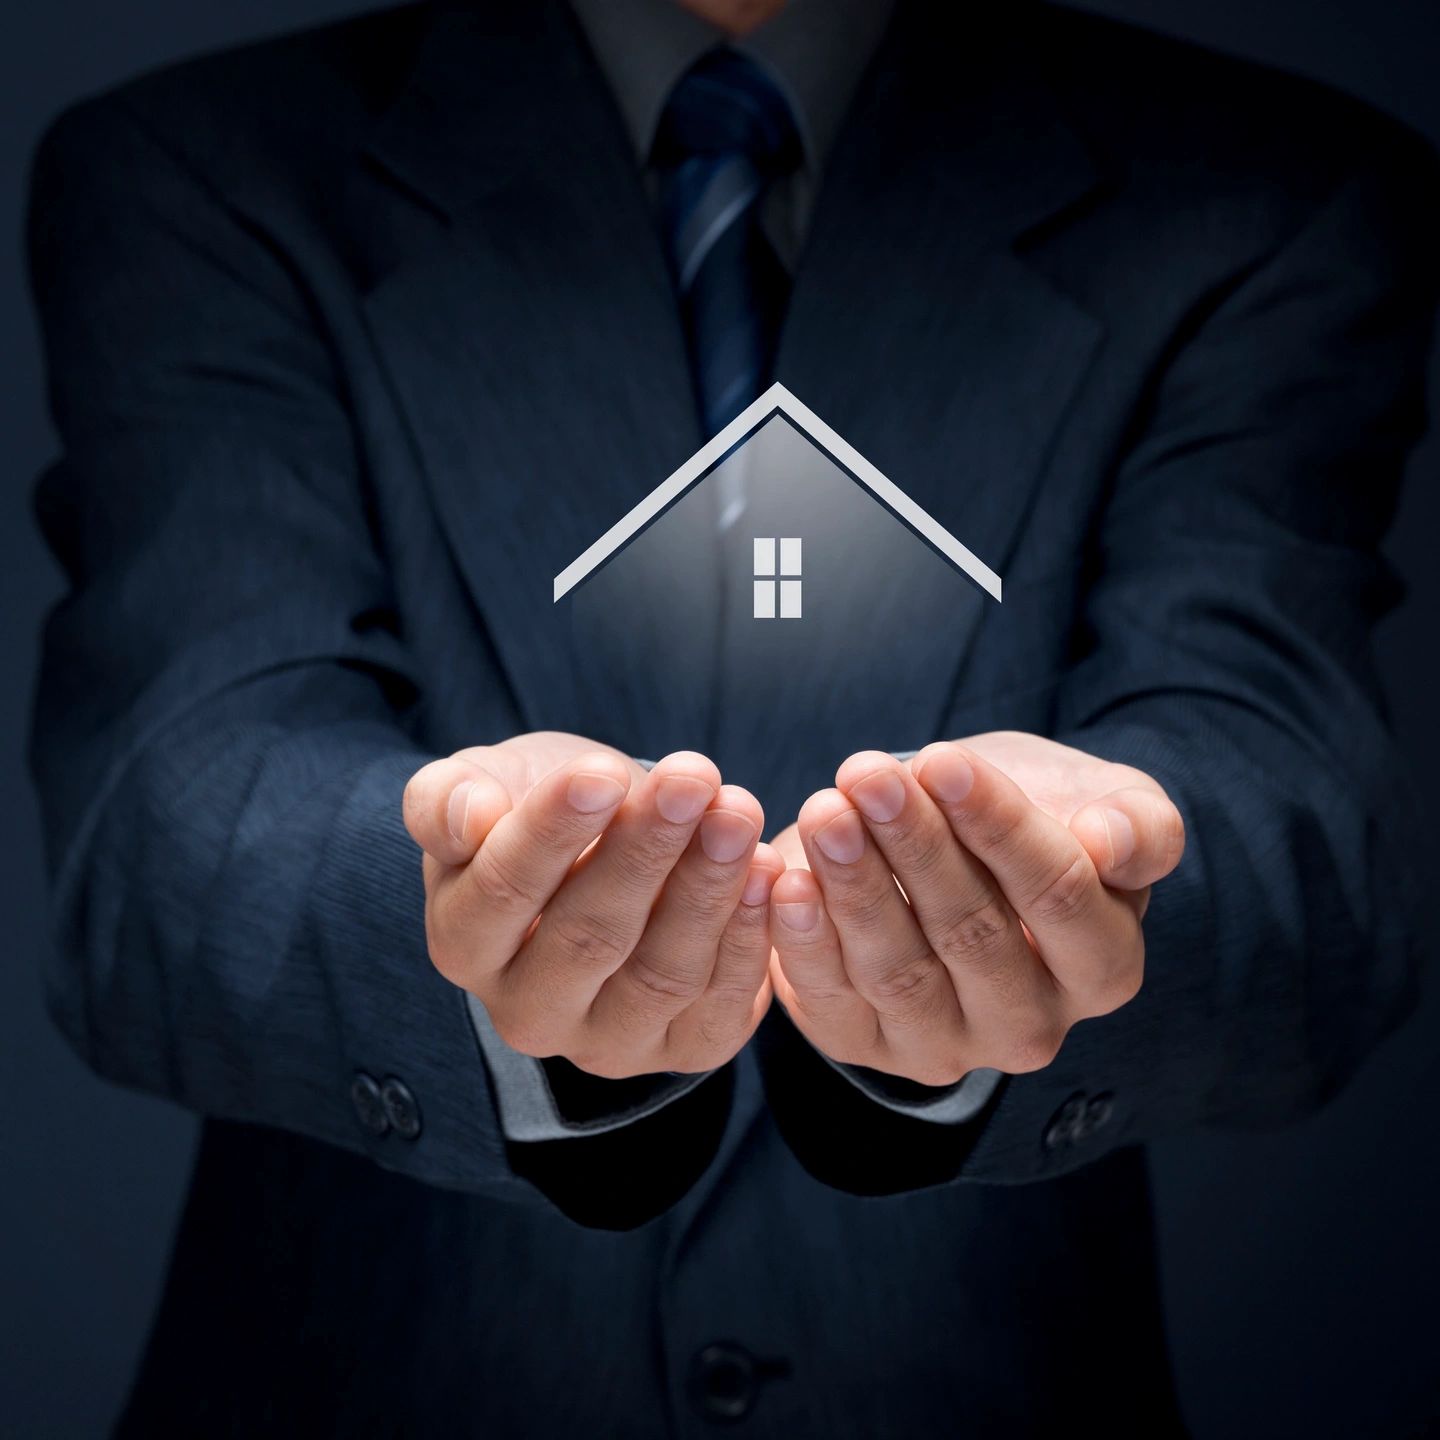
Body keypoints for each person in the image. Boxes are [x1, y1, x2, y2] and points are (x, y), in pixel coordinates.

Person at [26, 0, 1437, 1433]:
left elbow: (1290, 835)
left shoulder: (1267, 193)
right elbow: (172, 824)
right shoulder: (199, 169)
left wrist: (1075, 870)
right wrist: (480, 905)